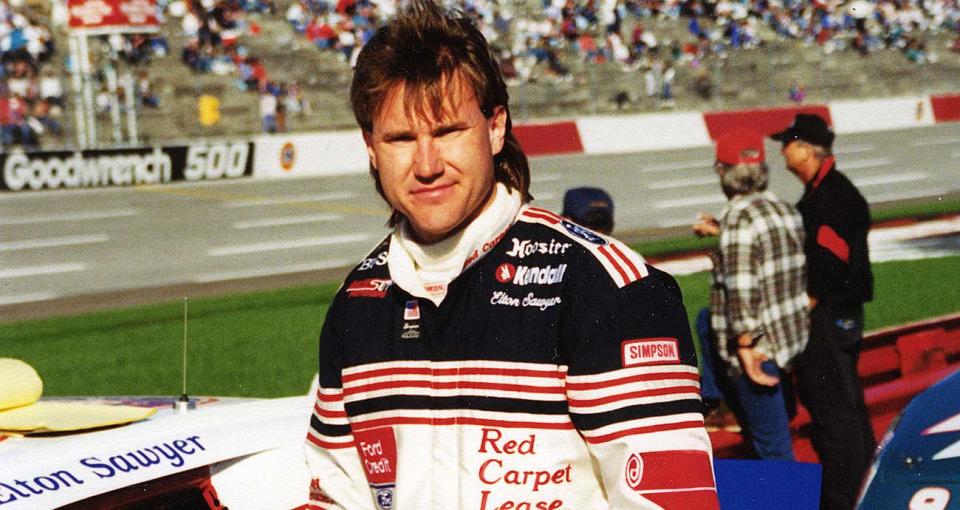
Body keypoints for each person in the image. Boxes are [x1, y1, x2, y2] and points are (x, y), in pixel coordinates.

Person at [303, 1, 720, 508]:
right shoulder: (357, 303)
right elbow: (335, 495)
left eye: (448, 131)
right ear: (370, 147)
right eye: (401, 138)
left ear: (495, 127)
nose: (427, 164)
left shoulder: (612, 288)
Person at [771, 113, 876, 510]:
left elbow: (830, 262)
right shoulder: (828, 191)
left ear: (805, 149)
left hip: (828, 319)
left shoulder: (829, 196)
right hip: (842, 316)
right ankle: (863, 491)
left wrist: (807, 304)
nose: (782, 151)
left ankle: (844, 501)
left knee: (834, 414)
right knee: (847, 409)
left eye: (787, 142)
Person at [693, 131, 809, 460]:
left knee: (772, 449)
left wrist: (746, 346)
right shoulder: (786, 209)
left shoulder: (738, 219)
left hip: (757, 352)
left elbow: (742, 290)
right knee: (774, 438)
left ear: (722, 172)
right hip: (788, 342)